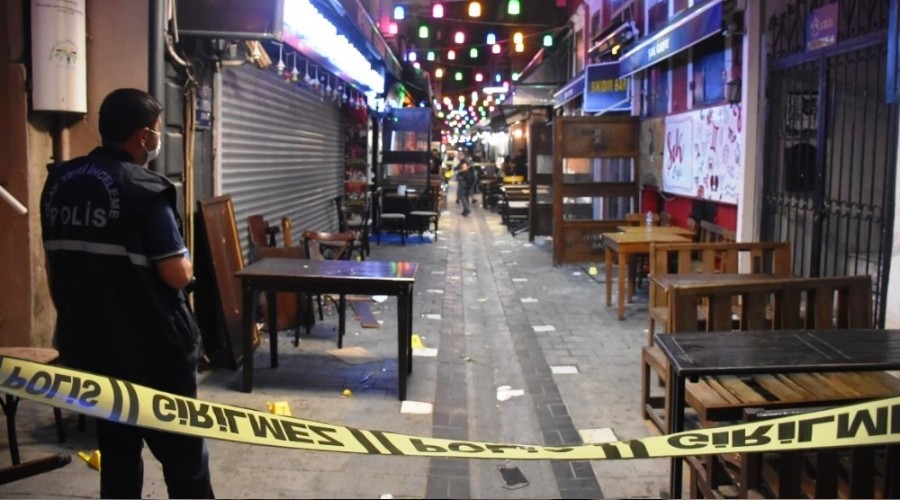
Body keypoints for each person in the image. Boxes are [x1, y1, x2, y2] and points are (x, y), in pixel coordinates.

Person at [40, 88, 214, 499]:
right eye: (157, 131)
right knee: (184, 462)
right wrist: (188, 263)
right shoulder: (144, 189)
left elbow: (54, 264)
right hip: (154, 351)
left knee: (118, 459)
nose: (157, 138)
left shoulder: (60, 183)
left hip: (92, 348)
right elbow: (176, 274)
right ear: (143, 135)